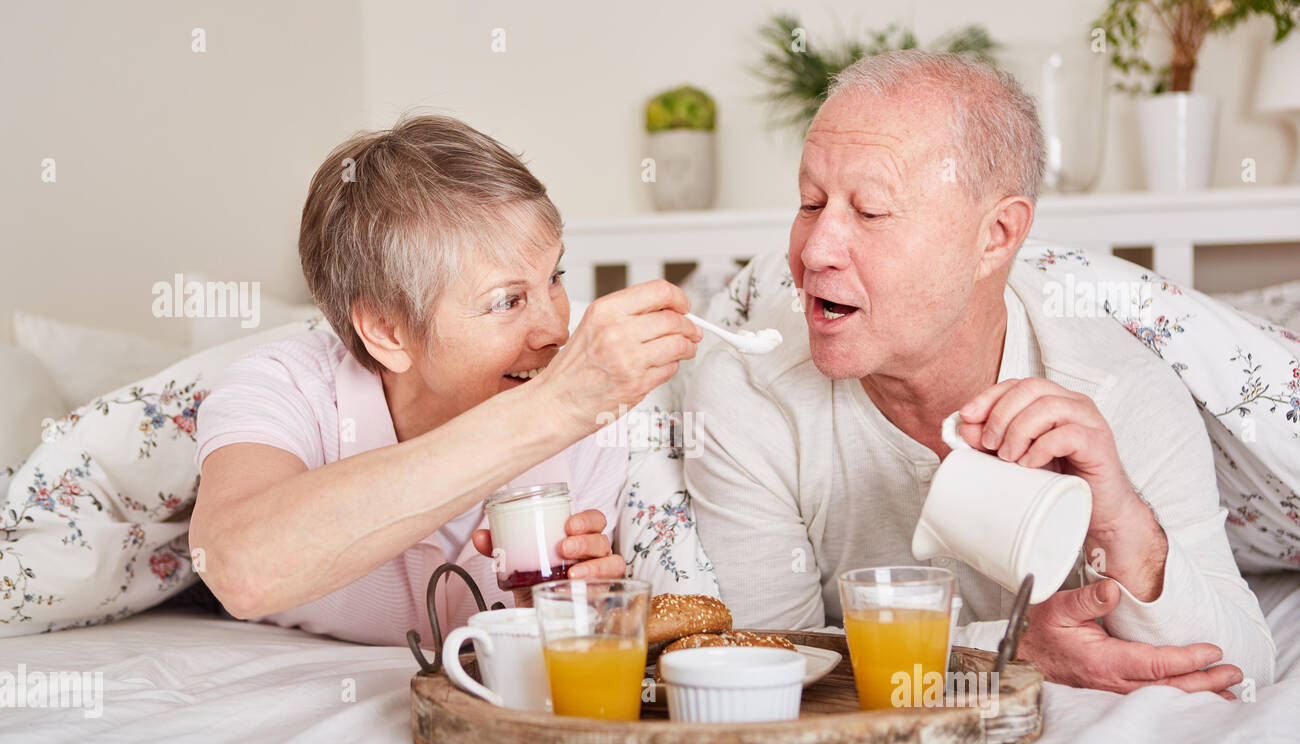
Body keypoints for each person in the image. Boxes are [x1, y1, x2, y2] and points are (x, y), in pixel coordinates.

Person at [684, 50, 1275, 694]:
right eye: (810, 203)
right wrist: (1011, 651)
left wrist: (1117, 515)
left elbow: (1240, 668)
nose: (815, 251)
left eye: (871, 211)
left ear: (995, 235)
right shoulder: (748, 389)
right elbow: (765, 668)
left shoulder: (1117, 389)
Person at [189, 115, 700, 646]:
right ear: (387, 330)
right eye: (507, 301)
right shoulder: (286, 386)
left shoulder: (599, 420)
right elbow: (239, 570)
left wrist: (559, 608)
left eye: (555, 278)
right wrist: (553, 409)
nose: (556, 331)